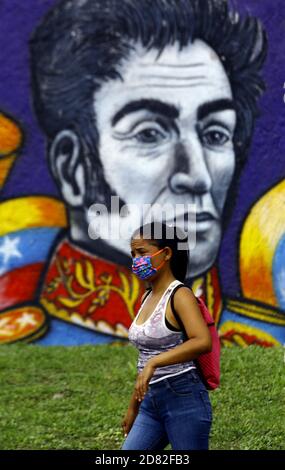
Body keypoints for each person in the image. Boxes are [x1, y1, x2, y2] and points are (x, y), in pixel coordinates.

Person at [121, 221, 212, 450]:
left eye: (142, 252)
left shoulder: (180, 295)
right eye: (133, 254)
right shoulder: (147, 297)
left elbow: (202, 341)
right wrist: (134, 406)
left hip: (183, 397)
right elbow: (145, 357)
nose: (136, 260)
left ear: (167, 253)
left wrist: (156, 362)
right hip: (151, 403)